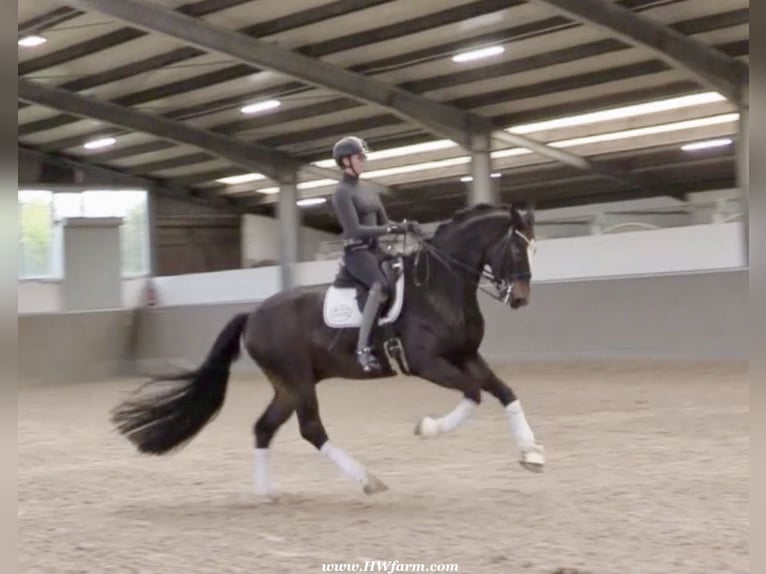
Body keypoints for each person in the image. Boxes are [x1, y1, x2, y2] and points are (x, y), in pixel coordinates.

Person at [330, 136, 411, 373]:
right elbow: (354, 229)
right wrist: (389, 229)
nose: (364, 160)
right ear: (346, 161)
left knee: (407, 271)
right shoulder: (342, 193)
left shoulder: (369, 190)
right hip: (357, 252)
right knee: (380, 285)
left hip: (376, 250)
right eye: (360, 156)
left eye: (364, 156)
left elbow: (386, 223)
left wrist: (404, 226)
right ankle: (363, 348)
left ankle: (394, 336)